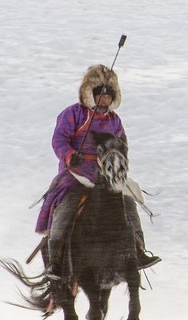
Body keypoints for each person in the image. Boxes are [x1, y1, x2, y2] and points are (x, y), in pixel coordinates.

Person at [34, 64, 160, 281]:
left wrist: (120, 164)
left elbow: (122, 145)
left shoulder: (114, 120)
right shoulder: (73, 114)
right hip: (77, 174)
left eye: (108, 96)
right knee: (66, 206)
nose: (104, 100)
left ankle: (138, 249)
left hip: (107, 177)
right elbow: (59, 139)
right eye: (99, 95)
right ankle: (55, 261)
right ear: (90, 94)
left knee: (129, 201)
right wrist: (70, 155)